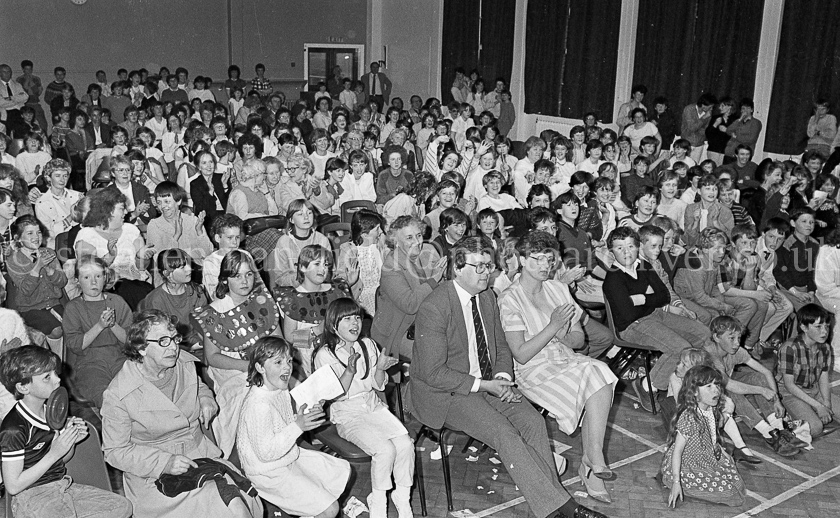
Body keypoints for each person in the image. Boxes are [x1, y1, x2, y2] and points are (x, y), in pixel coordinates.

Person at [409, 236, 606, 518]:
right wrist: (486, 384)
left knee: (533, 422)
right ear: (458, 268)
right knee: (504, 433)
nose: (486, 273)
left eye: (489, 266)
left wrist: (502, 376)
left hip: (487, 382)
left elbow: (501, 346)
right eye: (478, 267)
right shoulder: (435, 306)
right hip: (447, 392)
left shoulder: (487, 297)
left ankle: (553, 501)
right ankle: (561, 509)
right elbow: (433, 373)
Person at [102, 309, 263, 517]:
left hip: (200, 455)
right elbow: (115, 451)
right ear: (141, 348)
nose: (173, 347)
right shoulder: (119, 393)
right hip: (155, 475)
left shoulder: (183, 364)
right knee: (226, 506)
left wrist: (206, 398)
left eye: (174, 338)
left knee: (242, 501)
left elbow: (198, 386)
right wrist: (164, 462)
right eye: (163, 341)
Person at [498, 232, 617, 502]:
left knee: (600, 372)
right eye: (537, 259)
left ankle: (593, 456)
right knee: (595, 375)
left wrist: (563, 335)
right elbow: (521, 354)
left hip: (565, 359)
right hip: (532, 370)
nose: (544, 265)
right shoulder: (509, 299)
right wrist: (553, 326)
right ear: (521, 260)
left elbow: (578, 340)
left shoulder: (558, 289)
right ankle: (591, 464)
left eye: (549, 259)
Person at [0, 346, 132, 518]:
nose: (57, 380)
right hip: (32, 497)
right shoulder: (14, 428)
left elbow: (62, 459)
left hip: (61, 486)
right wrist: (54, 453)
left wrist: (70, 442)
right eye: (47, 377)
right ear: (23, 387)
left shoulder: (53, 413)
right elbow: (13, 486)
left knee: (122, 506)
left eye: (55, 373)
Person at [314, 298, 413, 518]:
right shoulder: (325, 355)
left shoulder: (367, 345)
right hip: (347, 414)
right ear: (333, 325)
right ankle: (378, 502)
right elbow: (332, 395)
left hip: (373, 407)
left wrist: (380, 368)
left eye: (357, 317)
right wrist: (349, 371)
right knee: (385, 450)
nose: (355, 323)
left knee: (405, 445)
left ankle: (402, 497)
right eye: (347, 319)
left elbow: (378, 385)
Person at [237, 336, 349, 518]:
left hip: (285, 456)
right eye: (278, 362)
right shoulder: (258, 404)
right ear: (260, 367)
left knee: (337, 472)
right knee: (330, 509)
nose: (287, 367)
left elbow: (283, 424)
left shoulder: (279, 389)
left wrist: (304, 418)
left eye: (289, 361)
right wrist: (298, 426)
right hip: (267, 472)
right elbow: (266, 453)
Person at [603, 227, 709, 412]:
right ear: (612, 252)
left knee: (703, 333)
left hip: (655, 314)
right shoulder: (613, 279)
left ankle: (673, 377)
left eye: (630, 246)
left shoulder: (644, 266)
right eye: (620, 248)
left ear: (638, 247)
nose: (626, 252)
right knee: (680, 348)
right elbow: (628, 314)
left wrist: (641, 299)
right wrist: (650, 298)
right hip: (633, 326)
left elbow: (663, 296)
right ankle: (648, 386)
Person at [193, 250, 282, 457]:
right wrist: (249, 367)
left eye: (249, 274)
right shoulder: (214, 312)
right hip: (232, 369)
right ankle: (245, 451)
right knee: (251, 392)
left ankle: (279, 443)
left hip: (266, 363)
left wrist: (272, 363)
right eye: (237, 276)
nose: (244, 281)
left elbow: (278, 341)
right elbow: (212, 357)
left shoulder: (263, 303)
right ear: (225, 279)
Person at [660, 365, 746, 508]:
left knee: (738, 486)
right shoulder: (689, 417)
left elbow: (712, 434)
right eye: (708, 386)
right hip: (691, 465)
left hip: (707, 456)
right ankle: (681, 483)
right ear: (694, 392)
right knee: (732, 496)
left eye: (717, 385)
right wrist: (676, 482)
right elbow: (677, 451)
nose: (716, 390)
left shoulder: (711, 409)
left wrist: (721, 451)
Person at [371, 216, 446, 360]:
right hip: (400, 331)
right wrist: (435, 279)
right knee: (435, 356)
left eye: (418, 235)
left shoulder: (427, 252)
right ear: (396, 241)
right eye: (409, 238)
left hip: (427, 324)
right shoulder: (391, 266)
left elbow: (440, 292)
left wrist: (443, 277)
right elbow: (410, 304)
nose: (417, 242)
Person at [62, 255, 133, 407]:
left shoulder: (117, 302)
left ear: (105, 278)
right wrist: (100, 326)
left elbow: (130, 340)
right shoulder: (73, 308)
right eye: (86, 277)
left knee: (133, 390)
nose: (93, 282)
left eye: (98, 276)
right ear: (77, 280)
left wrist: (113, 325)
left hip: (119, 358)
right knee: (106, 396)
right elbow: (75, 345)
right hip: (89, 363)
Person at [274, 245, 350, 375]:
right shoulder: (293, 299)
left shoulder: (336, 290)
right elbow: (290, 339)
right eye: (317, 264)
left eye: (326, 264)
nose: (323, 269)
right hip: (310, 359)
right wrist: (317, 330)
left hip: (340, 352)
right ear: (303, 267)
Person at [74, 189, 154, 308]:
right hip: (106, 288)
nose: (126, 212)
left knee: (144, 291)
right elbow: (90, 272)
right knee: (130, 289)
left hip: (138, 284)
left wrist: (141, 257)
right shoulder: (86, 236)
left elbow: (141, 268)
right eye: (122, 208)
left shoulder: (131, 230)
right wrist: (110, 256)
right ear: (108, 211)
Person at [776, 304, 838, 439]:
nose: (824, 332)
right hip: (790, 394)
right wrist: (818, 406)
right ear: (804, 327)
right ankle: (788, 417)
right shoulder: (789, 348)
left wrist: (826, 402)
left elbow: (823, 377)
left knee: (828, 411)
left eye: (827, 326)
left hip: (813, 390)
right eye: (818, 327)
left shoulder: (825, 348)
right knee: (815, 429)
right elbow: (789, 385)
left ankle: (809, 412)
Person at [6, 216, 67, 339]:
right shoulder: (13, 261)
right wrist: (37, 267)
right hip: (30, 308)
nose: (36, 236)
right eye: (30, 233)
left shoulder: (49, 253)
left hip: (53, 303)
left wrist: (49, 269)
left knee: (74, 325)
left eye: (38, 232)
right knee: (57, 330)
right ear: (18, 238)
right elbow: (26, 290)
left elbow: (62, 282)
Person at [138, 249, 209, 347]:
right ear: (167, 273)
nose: (189, 269)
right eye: (182, 267)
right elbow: (159, 338)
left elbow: (203, 326)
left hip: (198, 344)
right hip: (170, 346)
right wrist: (189, 348)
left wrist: (204, 344)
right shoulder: (156, 300)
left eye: (188, 264)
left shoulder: (196, 291)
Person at [266, 199, 330, 288]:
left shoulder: (322, 240)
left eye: (309, 213)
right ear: (291, 219)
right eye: (300, 214)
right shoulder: (283, 242)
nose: (306, 217)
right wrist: (301, 277)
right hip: (293, 289)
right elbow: (280, 278)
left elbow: (329, 271)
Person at [774, 207, 819, 311]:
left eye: (811, 222)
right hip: (788, 288)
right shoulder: (785, 244)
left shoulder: (815, 244)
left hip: (807, 289)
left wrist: (811, 291)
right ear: (793, 223)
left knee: (821, 312)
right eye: (804, 221)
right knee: (808, 314)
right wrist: (796, 293)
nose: (809, 225)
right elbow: (779, 273)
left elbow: (812, 271)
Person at [681, 94, 716, 163]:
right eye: (710, 107)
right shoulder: (689, 109)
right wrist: (703, 118)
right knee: (684, 164)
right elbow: (691, 128)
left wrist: (697, 127)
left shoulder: (709, 113)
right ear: (703, 105)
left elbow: (705, 129)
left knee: (694, 165)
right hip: (687, 142)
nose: (711, 109)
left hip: (699, 143)